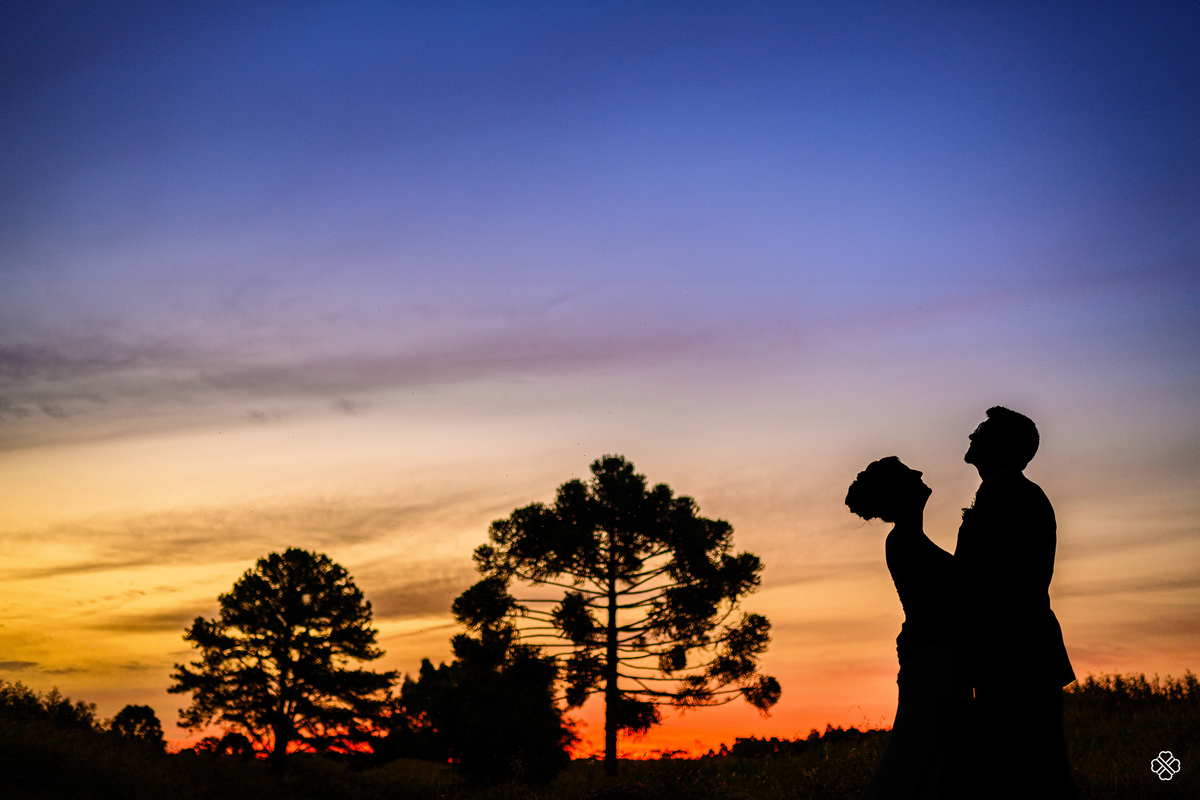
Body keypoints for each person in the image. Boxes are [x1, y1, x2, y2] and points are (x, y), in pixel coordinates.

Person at [955, 406, 1076, 798]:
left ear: (1003, 446)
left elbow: (1004, 582)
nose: (971, 435)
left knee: (1034, 773)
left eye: (982, 430)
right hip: (1006, 655)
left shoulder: (1018, 497)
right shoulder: (999, 494)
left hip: (1019, 655)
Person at [847, 457, 965, 800]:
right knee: (916, 761)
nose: (920, 473)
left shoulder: (910, 539)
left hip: (936, 660)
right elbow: (939, 608)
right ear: (899, 492)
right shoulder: (903, 542)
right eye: (908, 473)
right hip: (932, 663)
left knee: (933, 763)